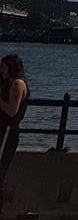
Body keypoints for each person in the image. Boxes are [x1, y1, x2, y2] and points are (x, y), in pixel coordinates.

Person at [0, 55, 28, 196]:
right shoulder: (7, 83)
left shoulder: (18, 84)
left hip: (8, 131)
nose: (1, 70)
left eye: (3, 67)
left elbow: (12, 111)